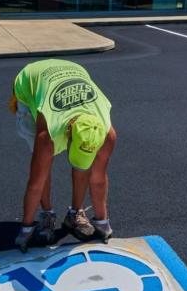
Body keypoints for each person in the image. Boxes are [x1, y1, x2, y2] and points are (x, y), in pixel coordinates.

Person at [9, 59, 116, 253]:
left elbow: (98, 179)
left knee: (84, 164)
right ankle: (47, 214)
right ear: (66, 135)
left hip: (75, 70)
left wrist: (103, 221)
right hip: (31, 81)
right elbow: (35, 183)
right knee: (42, 164)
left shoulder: (106, 134)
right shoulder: (47, 134)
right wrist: (25, 229)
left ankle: (75, 214)